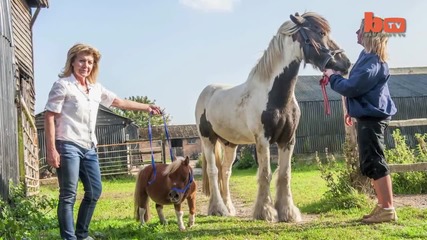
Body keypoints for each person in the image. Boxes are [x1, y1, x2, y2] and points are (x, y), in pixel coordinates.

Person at [45, 43, 162, 239]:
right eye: (82, 60)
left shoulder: (95, 89)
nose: (86, 65)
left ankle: (81, 234)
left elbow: (120, 102)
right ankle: (69, 237)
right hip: (67, 144)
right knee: (68, 194)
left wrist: (146, 107)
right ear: (72, 62)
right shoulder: (63, 85)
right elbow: (49, 116)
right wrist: (51, 150)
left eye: (90, 62)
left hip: (89, 147)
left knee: (94, 190)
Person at [323, 18, 398, 224]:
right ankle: (383, 206)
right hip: (366, 116)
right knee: (370, 161)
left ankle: (388, 208)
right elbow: (358, 89)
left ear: (369, 34)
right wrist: (350, 108)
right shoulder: (366, 58)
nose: (356, 32)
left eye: (360, 30)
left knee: (375, 161)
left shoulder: (374, 62)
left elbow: (352, 87)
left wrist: (332, 77)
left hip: (372, 119)